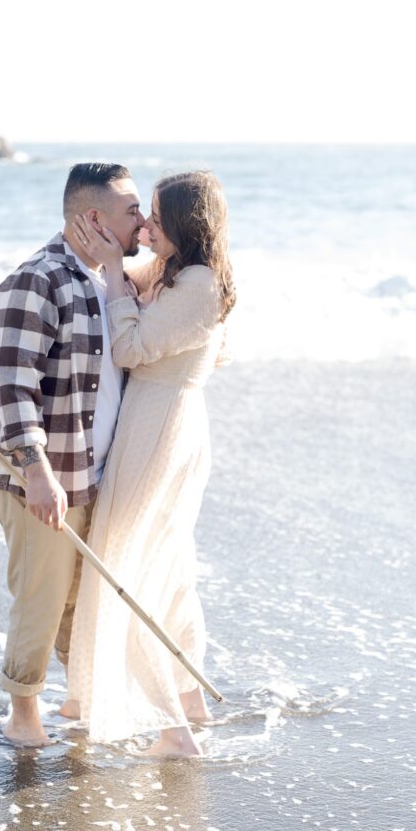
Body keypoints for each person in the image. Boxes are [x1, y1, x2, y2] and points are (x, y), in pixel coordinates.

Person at [63, 170, 235, 757]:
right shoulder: (173, 272)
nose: (146, 226)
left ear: (186, 224)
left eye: (156, 217)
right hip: (161, 421)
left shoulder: (201, 285)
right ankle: (188, 699)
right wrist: (99, 245)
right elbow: (111, 273)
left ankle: (173, 730)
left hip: (159, 429)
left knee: (124, 568)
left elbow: (131, 346)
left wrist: (113, 270)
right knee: (170, 568)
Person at [0, 163, 145, 746]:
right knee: (42, 595)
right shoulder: (36, 281)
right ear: (93, 218)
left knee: (81, 598)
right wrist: (36, 471)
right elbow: (13, 386)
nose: (143, 221)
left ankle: (78, 702)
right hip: (40, 475)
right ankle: (22, 717)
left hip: (91, 473)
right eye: (132, 210)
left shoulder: (110, 282)